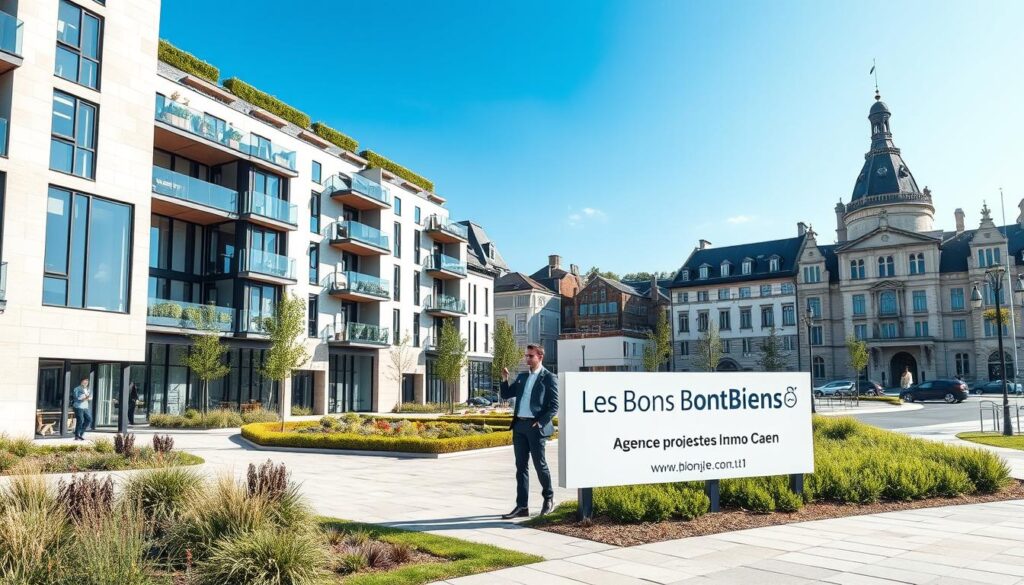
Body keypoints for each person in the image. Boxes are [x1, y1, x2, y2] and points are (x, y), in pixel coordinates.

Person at [499, 344, 558, 520]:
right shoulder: (522, 377)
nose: (527, 359)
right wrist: (505, 379)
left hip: (535, 427)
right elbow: (506, 395)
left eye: (530, 356)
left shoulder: (549, 378)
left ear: (540, 356)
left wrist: (540, 422)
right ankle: (522, 506)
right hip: (519, 426)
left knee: (540, 465)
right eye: (526, 356)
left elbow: (554, 406)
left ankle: (548, 499)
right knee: (521, 467)